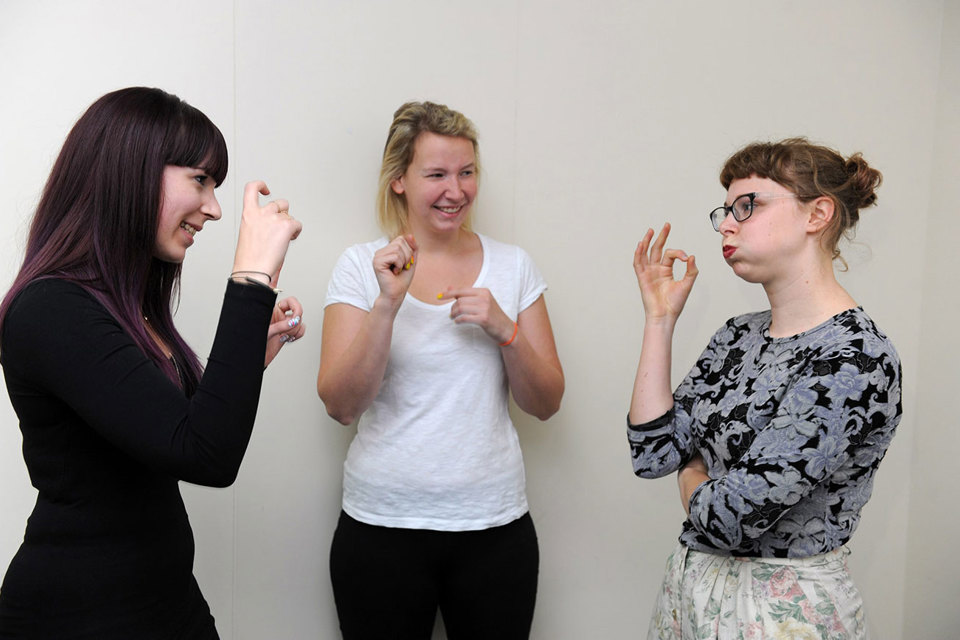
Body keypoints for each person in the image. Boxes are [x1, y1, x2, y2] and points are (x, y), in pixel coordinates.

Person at [0, 87, 304, 638]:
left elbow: (175, 428)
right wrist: (252, 274)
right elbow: (207, 455)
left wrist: (248, 358)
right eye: (200, 179)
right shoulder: (52, 308)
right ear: (133, 170)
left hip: (163, 599)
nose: (213, 207)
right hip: (81, 615)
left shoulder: (126, 305)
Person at [627, 138, 901, 639]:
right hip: (689, 596)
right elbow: (652, 453)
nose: (727, 225)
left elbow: (732, 519)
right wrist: (659, 320)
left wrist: (693, 473)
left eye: (747, 207)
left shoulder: (855, 358)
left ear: (817, 214)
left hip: (781, 615)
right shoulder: (738, 335)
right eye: (725, 211)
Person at [317, 101, 564, 639]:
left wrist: (507, 331)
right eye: (436, 174)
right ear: (400, 180)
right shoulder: (362, 267)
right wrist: (387, 304)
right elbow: (339, 405)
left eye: (467, 172)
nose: (456, 190)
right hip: (381, 527)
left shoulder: (513, 266)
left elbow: (546, 403)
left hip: (494, 529)